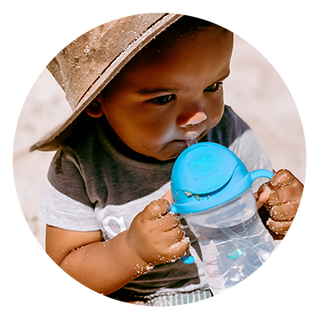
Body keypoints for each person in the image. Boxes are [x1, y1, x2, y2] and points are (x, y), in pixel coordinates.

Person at [33, 11, 306, 308]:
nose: (199, 116)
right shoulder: (80, 165)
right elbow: (66, 268)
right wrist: (131, 252)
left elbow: (255, 220)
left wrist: (284, 212)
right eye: (163, 98)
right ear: (99, 102)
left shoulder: (226, 131)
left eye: (212, 87)